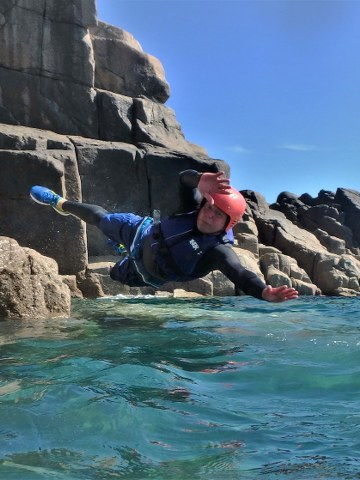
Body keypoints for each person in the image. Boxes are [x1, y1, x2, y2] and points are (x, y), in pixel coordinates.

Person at [30, 170, 298, 302]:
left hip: (147, 272)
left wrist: (263, 291)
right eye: (209, 207)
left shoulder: (218, 251)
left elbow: (240, 273)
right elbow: (183, 179)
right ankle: (61, 204)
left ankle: (123, 254)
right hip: (143, 231)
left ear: (230, 223)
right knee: (103, 218)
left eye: (218, 215)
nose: (208, 214)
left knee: (113, 275)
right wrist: (200, 178)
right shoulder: (195, 208)